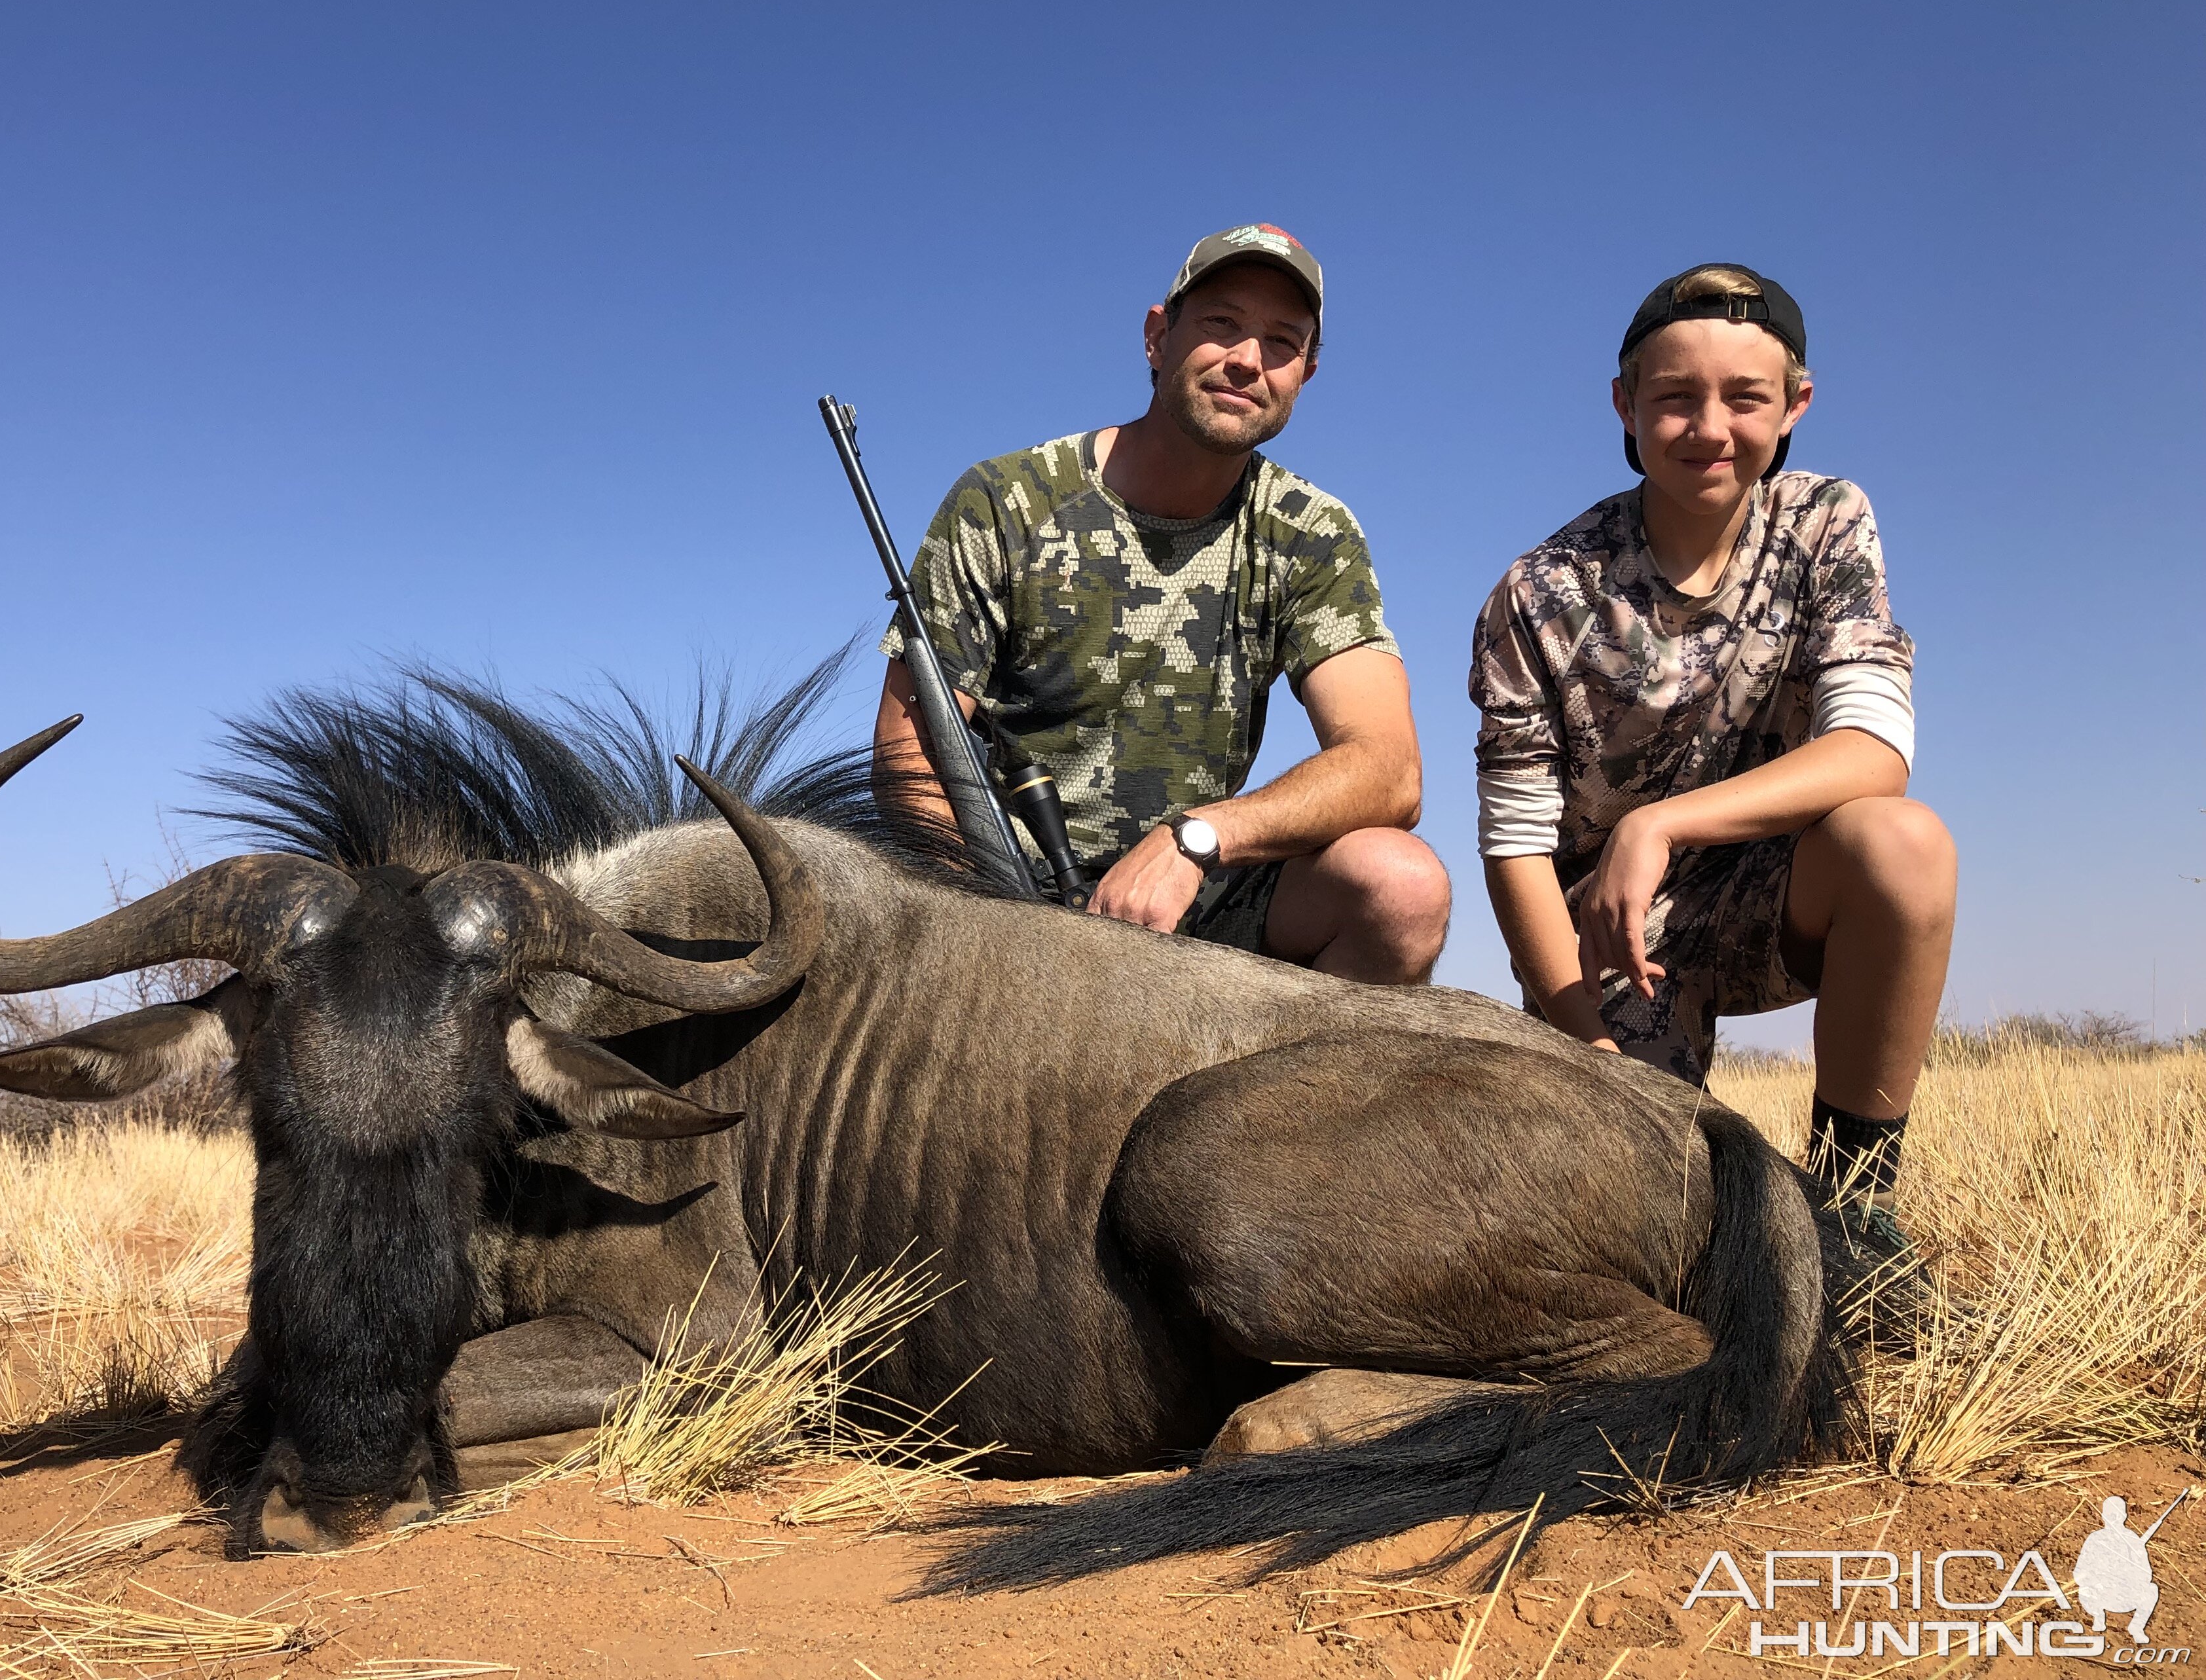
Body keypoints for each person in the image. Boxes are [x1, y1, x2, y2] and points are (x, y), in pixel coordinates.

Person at [1469, 264, 1957, 1254]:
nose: (1710, 428)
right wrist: (1589, 1036)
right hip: (1603, 940)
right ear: (1625, 403)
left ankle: (1855, 1221)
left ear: (1795, 406)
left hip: (1770, 895)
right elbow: (1515, 847)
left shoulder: (1827, 522)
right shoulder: (1537, 591)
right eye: (1675, 398)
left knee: (1904, 846)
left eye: (1747, 398)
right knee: (1653, 1236)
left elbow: (1873, 749)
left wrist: (1659, 822)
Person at [874, 223, 1450, 983]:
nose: (1247, 360)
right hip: (1002, 901)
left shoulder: (1311, 531)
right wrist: (997, 917)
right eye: (1221, 324)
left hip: (1191, 896)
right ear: (1157, 336)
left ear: (1306, 374)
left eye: (1282, 341)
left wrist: (1198, 837)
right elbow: (906, 756)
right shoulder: (1004, 499)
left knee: (1402, 886)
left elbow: (1389, 771)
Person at [2074, 1497, 2162, 1644]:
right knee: (2084, 1590)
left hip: (2125, 1596)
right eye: (2110, 1515)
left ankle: (2137, 1627)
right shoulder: (2095, 1539)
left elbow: (2146, 1574)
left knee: (2152, 1589)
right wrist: (2097, 1579)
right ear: (2103, 1516)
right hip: (2100, 1595)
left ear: (2124, 1516)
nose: (2113, 1519)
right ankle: (2098, 1616)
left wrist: (2128, 1576)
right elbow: (2080, 1571)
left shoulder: (2132, 1539)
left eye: (2117, 1515)